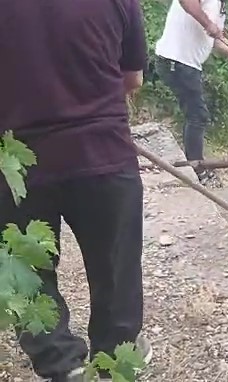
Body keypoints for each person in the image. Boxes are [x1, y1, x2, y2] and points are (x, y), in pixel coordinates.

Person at [0, 0, 152, 380]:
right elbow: (132, 79)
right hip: (103, 151)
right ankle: (116, 359)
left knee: (28, 272)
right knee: (115, 267)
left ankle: (59, 365)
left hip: (19, 164)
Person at [154, 0, 228, 187]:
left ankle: (193, 164)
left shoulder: (219, 5)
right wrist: (208, 23)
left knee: (195, 114)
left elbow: (215, 39)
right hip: (176, 61)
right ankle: (196, 169)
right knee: (197, 115)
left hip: (185, 64)